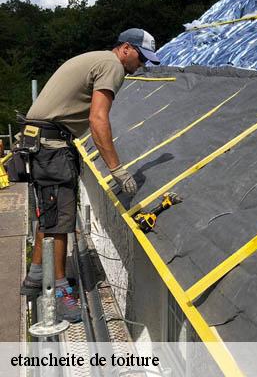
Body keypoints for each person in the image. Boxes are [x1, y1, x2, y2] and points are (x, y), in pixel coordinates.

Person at [19, 28, 160, 323]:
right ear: (125, 49)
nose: (142, 65)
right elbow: (98, 118)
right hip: (51, 145)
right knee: (61, 220)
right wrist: (117, 169)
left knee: (50, 210)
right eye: (141, 57)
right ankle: (59, 293)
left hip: (40, 140)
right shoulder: (112, 66)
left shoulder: (97, 59)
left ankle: (35, 277)